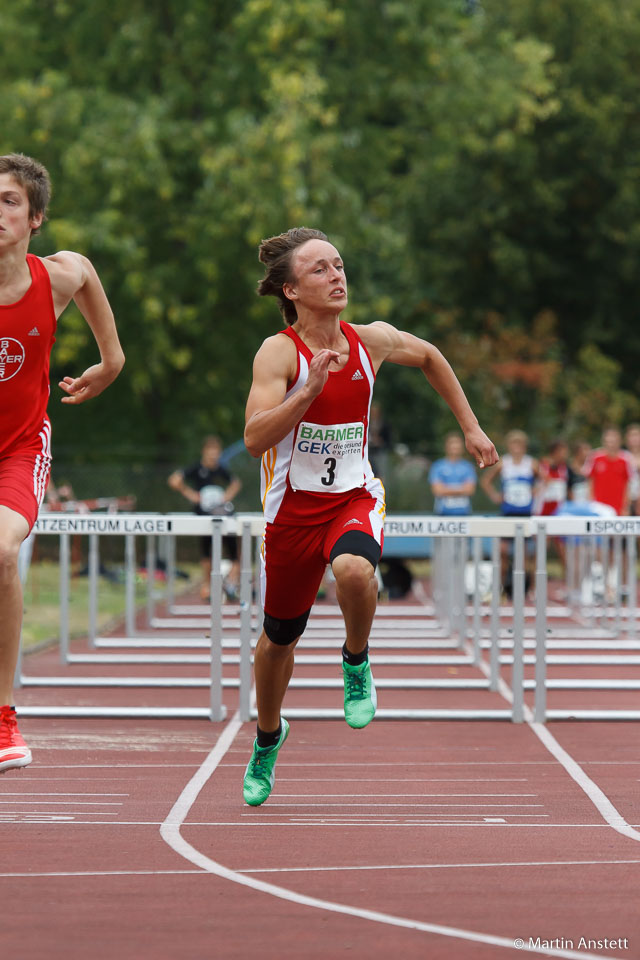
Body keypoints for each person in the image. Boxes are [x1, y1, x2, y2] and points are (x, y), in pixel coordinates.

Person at [241, 227, 497, 806]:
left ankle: (355, 660)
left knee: (356, 572)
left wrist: (471, 425)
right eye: (319, 270)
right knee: (278, 640)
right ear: (291, 290)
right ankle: (267, 736)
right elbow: (255, 440)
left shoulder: (371, 340)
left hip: (354, 497)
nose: (337, 276)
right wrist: (306, 392)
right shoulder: (278, 352)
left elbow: (430, 355)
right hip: (291, 516)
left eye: (339, 264)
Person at [0, 153, 124, 773]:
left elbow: (90, 276)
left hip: (19, 448)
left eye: (9, 201)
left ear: (35, 218)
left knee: (0, 551)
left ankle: (2, 715)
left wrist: (111, 360)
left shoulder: (60, 277)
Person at [167, 435, 242, 600]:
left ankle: (231, 584)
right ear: (204, 452)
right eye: (210, 451)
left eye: (216, 451)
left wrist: (225, 498)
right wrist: (190, 494)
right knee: (207, 551)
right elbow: (174, 480)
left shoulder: (221, 470)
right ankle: (207, 586)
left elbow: (236, 483)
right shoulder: (196, 468)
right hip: (203, 516)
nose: (213, 455)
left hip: (222, 516)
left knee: (233, 548)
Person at [480, 429, 539, 596]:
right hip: (507, 513)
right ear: (509, 446)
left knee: (526, 555)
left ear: (524, 447)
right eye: (514, 444)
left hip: (525, 513)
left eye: (520, 445)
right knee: (503, 552)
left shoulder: (531, 463)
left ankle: (528, 589)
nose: (517, 448)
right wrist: (495, 496)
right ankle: (499, 587)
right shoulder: (503, 463)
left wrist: (536, 491)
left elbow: (546, 480)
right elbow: (485, 481)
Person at [583, 426, 635, 516]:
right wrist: (590, 503)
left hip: (619, 507)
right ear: (604, 441)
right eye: (608, 441)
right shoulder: (595, 457)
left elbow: (628, 484)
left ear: (619, 441)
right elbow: (590, 481)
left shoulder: (626, 459)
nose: (611, 444)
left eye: (613, 441)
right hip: (599, 507)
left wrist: (626, 506)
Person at [429, 431, 477, 516]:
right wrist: (461, 489)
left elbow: (470, 490)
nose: (455, 446)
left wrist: (446, 489)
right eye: (452, 443)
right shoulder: (438, 466)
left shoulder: (468, 467)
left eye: (457, 443)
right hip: (442, 514)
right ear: (446, 446)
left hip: (464, 514)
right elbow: (437, 490)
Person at [624, 423, 640, 515]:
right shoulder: (622, 456)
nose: (634, 439)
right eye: (632, 435)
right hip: (625, 498)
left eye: (637, 435)